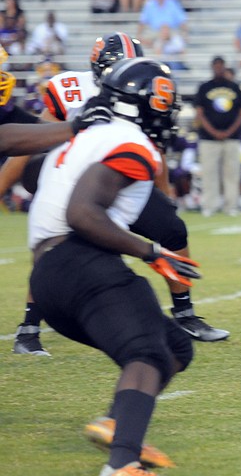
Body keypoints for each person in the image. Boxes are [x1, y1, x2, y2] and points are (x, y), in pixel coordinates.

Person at [7, 34, 229, 357]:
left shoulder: (139, 86)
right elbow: (38, 138)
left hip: (122, 177)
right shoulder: (70, 89)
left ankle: (185, 314)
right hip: (73, 178)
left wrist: (163, 199)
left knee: (172, 229)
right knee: (59, 238)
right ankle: (29, 327)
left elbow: (154, 142)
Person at [28, 57, 196, 475]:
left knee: (174, 346)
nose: (167, 113)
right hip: (81, 263)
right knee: (146, 353)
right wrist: (150, 252)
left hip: (48, 275)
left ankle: (116, 422)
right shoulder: (131, 143)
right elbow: (82, 213)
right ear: (143, 104)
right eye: (163, 103)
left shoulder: (81, 137)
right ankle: (121, 465)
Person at [195, 55, 241, 217]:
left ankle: (232, 205)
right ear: (212, 67)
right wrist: (213, 131)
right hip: (209, 138)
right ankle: (210, 205)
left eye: (221, 66)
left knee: (232, 173)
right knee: (209, 173)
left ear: (224, 67)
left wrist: (229, 131)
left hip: (231, 137)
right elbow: (200, 113)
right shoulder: (204, 88)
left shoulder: (234, 87)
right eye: (215, 66)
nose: (218, 69)